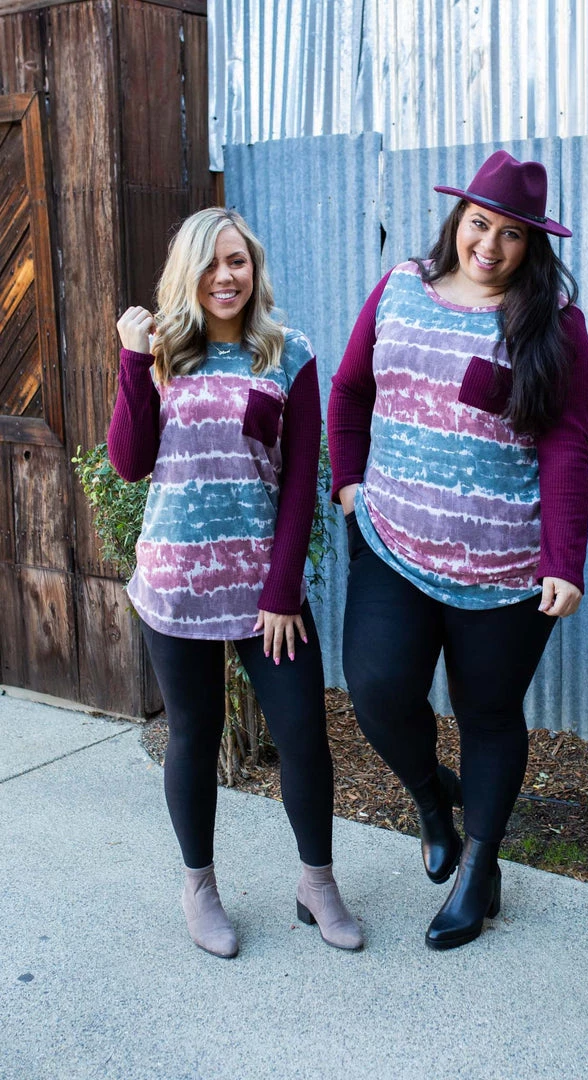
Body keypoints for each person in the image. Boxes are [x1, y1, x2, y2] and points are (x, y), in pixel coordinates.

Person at [328, 151, 588, 950]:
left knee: (488, 715)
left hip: (504, 572)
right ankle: (431, 800)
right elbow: (349, 389)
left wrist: (564, 560)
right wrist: (349, 484)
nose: (490, 245)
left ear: (532, 244)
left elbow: (566, 447)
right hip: (394, 546)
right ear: (458, 219)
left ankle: (478, 870)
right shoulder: (400, 288)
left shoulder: (554, 324)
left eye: (512, 234)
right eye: (480, 224)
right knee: (377, 690)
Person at [108, 207, 363, 957]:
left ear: (254, 268)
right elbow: (130, 461)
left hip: (263, 595)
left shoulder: (289, 354)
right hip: (176, 583)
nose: (226, 276)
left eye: (238, 261)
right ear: (187, 273)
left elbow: (300, 481)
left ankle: (317, 883)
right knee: (195, 733)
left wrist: (282, 591)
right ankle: (200, 888)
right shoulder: (162, 354)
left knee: (303, 733)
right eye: (211, 263)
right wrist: (132, 361)